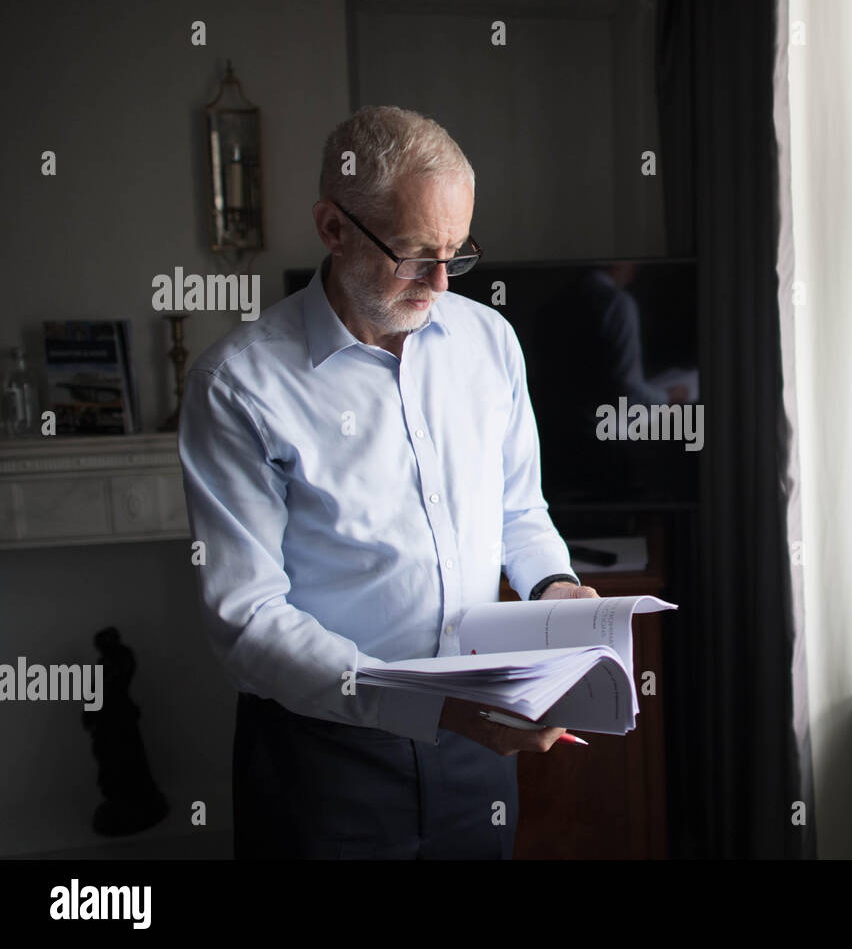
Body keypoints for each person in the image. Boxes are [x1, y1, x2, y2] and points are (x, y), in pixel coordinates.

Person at [177, 105, 597, 859]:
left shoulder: (489, 342)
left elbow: (519, 510)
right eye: (413, 254)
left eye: (457, 252)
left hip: (478, 742)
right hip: (322, 759)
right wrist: (426, 707)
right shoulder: (237, 385)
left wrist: (553, 588)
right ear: (333, 228)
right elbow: (245, 617)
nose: (440, 281)